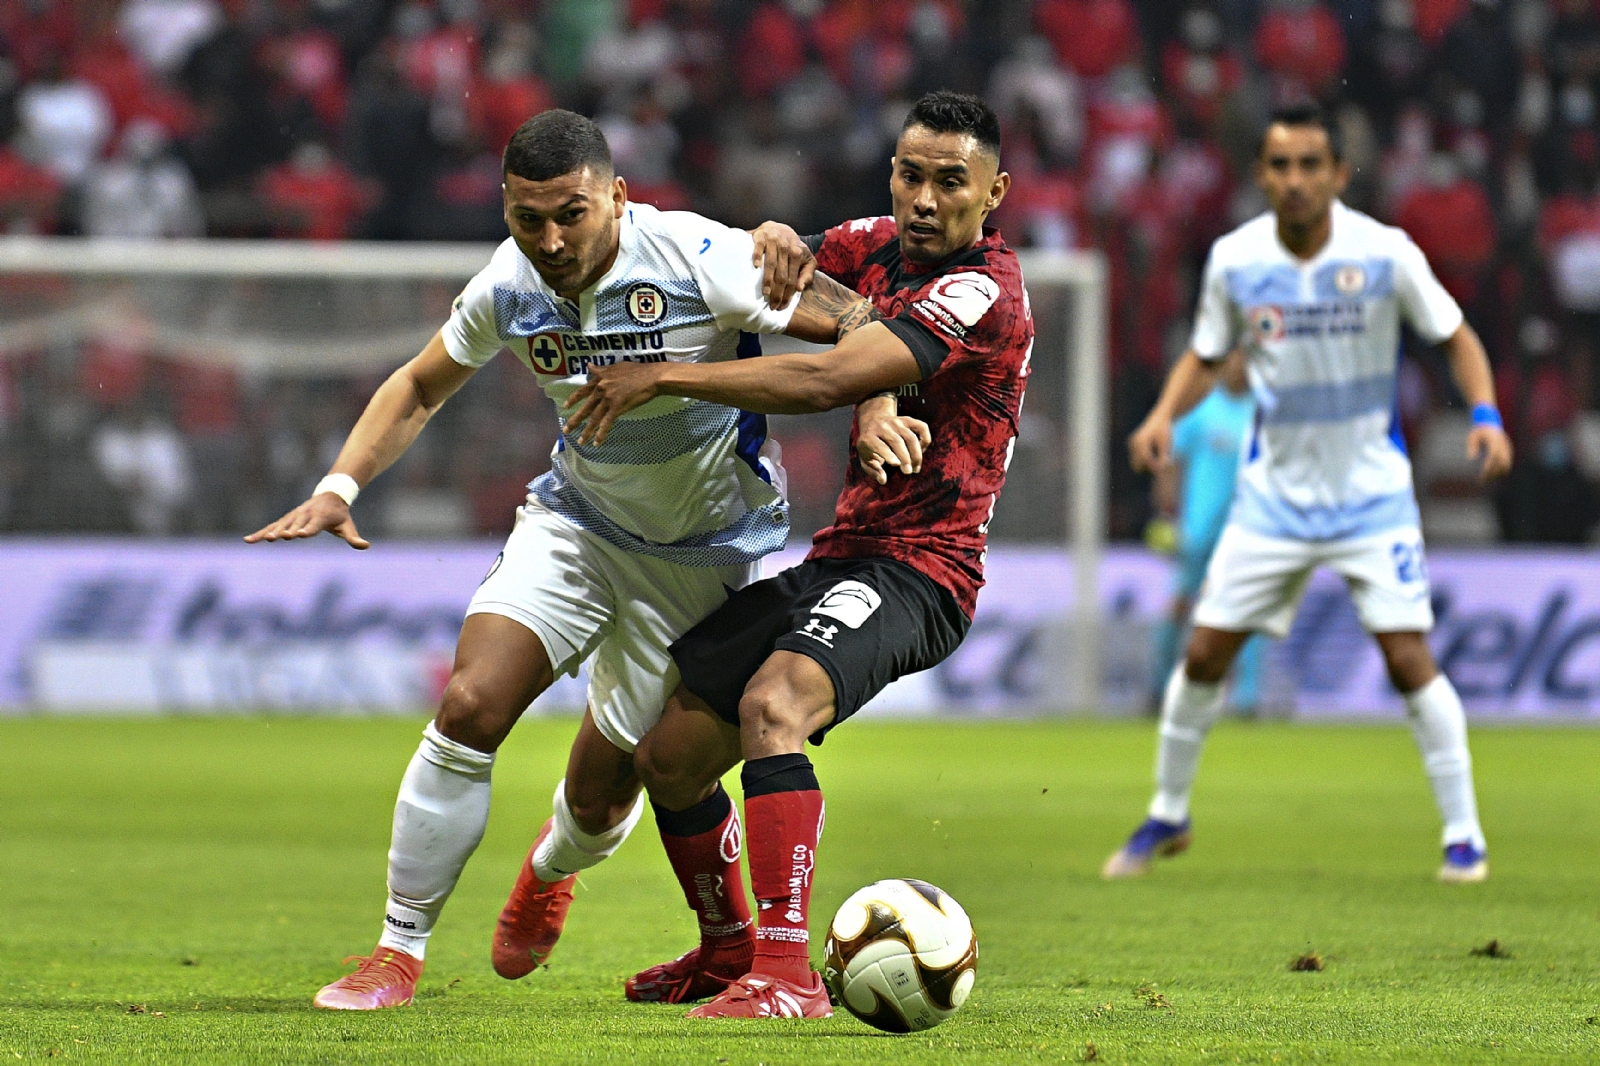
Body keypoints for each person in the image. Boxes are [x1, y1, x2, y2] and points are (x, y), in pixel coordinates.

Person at [244, 108, 884, 1010]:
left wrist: (879, 408)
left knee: (598, 795)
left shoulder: (699, 259)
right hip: (575, 526)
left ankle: (551, 867)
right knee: (470, 704)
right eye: (526, 217)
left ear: (618, 197)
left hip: (702, 559)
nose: (548, 239)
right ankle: (397, 952)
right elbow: (421, 384)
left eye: (570, 215)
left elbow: (862, 332)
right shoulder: (509, 286)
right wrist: (340, 486)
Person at [554, 90, 1031, 1019]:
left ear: (995, 192)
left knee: (775, 704)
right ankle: (729, 951)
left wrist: (664, 375)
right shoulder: (875, 240)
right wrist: (768, 234)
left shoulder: (983, 291)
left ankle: (785, 972)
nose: (923, 199)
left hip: (922, 572)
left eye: (950, 182)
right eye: (909, 173)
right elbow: (770, 268)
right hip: (845, 554)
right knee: (673, 752)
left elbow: (824, 373)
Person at [1102, 104, 1513, 883]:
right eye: (1280, 166)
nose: (1295, 180)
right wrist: (1162, 416)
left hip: (1372, 497)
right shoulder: (1235, 259)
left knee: (1406, 658)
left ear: (1337, 173)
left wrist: (1486, 414)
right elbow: (1206, 352)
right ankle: (1168, 812)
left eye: (1309, 165)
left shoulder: (1385, 253)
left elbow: (1457, 336)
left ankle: (1464, 835)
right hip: (1274, 500)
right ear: (1263, 174)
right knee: (1204, 651)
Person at [1146, 349, 1268, 716]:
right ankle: (1159, 690)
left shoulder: (1264, 412)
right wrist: (1168, 513)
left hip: (1249, 530)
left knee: (1249, 611)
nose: (1242, 366)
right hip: (1199, 530)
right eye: (1236, 358)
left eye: (1248, 359)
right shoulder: (1201, 407)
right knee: (1180, 607)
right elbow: (1171, 459)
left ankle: (1246, 699)